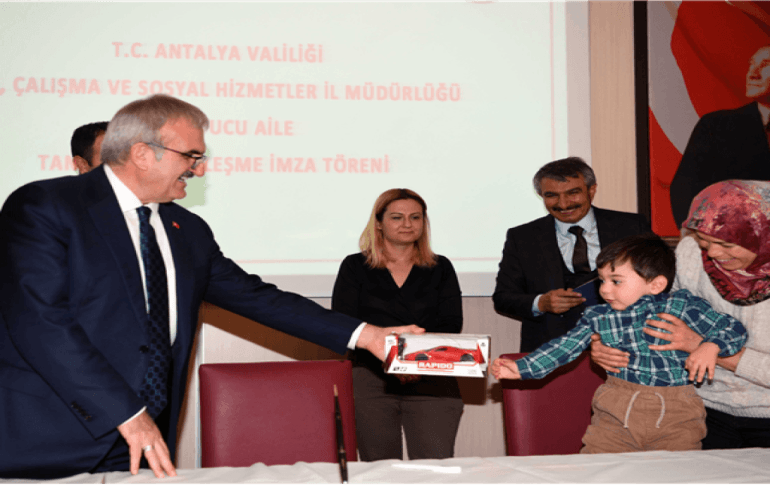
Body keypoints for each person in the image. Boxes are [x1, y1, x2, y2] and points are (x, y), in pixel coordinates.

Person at [0, 94, 421, 480]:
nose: (200, 169)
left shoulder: (187, 230)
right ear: (142, 154)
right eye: (192, 156)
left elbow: (257, 298)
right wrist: (126, 413)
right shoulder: (45, 206)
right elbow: (41, 324)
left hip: (143, 443)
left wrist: (367, 335)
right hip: (50, 436)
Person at [492, 234, 747, 453]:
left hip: (677, 416)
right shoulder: (599, 316)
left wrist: (711, 346)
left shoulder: (682, 305)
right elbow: (564, 346)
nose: (604, 290)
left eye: (616, 281)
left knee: (674, 474)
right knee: (600, 470)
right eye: (602, 280)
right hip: (615, 415)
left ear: (656, 284)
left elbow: (734, 329)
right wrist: (522, 368)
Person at [593, 180, 770, 450]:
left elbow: (688, 339)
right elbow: (656, 310)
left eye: (726, 243)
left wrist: (701, 346)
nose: (713, 253)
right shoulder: (691, 253)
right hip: (701, 406)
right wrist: (605, 343)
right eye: (704, 240)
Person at [331, 188, 464, 461]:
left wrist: (412, 364)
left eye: (415, 217)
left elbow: (451, 324)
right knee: (380, 470)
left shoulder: (440, 267)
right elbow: (345, 324)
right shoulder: (355, 266)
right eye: (397, 217)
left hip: (432, 379)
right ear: (379, 223)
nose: (407, 224)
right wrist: (393, 363)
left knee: (434, 469)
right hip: (371, 379)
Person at [493, 157, 651, 352]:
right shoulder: (522, 237)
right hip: (549, 353)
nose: (563, 204)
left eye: (572, 193)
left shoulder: (632, 227)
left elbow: (659, 283)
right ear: (540, 195)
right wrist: (541, 303)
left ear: (591, 190)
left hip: (626, 347)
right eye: (552, 195)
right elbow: (503, 298)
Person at [670, 45, 770, 227]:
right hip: (730, 238)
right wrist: (698, 236)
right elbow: (685, 189)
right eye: (751, 65)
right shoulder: (715, 126)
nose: (752, 74)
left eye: (765, 64)